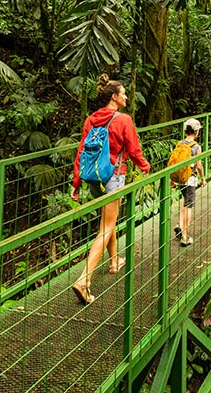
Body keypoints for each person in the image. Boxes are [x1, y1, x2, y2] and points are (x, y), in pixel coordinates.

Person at [70, 75, 150, 304]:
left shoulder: (91, 119)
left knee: (108, 220)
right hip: (113, 176)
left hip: (93, 178)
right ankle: (84, 280)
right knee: (106, 227)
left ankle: (114, 262)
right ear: (114, 97)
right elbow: (134, 149)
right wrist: (145, 167)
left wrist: (76, 183)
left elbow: (81, 151)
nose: (126, 96)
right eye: (123, 93)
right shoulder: (122, 120)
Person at [174, 118, 204, 247]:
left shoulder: (180, 144)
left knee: (184, 199)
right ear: (196, 132)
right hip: (190, 179)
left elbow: (175, 162)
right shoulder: (197, 147)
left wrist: (172, 180)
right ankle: (185, 236)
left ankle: (180, 224)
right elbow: (199, 166)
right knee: (189, 206)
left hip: (180, 179)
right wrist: (203, 178)